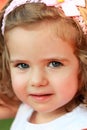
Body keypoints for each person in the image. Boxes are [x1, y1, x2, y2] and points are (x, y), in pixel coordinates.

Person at [0, 0, 87, 129]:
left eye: (54, 64)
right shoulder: (26, 108)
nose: (36, 81)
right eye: (22, 65)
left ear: (83, 64)